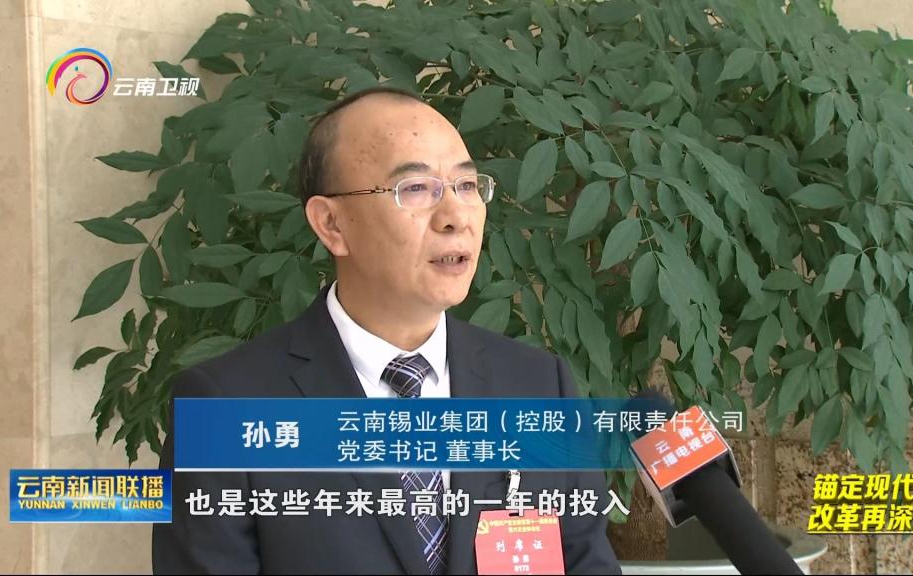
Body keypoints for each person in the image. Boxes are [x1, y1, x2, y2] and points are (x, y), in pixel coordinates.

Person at [153, 86, 621, 575]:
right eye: (415, 189)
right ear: (331, 224)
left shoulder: (540, 386)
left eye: (466, 185)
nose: (455, 217)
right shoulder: (225, 408)